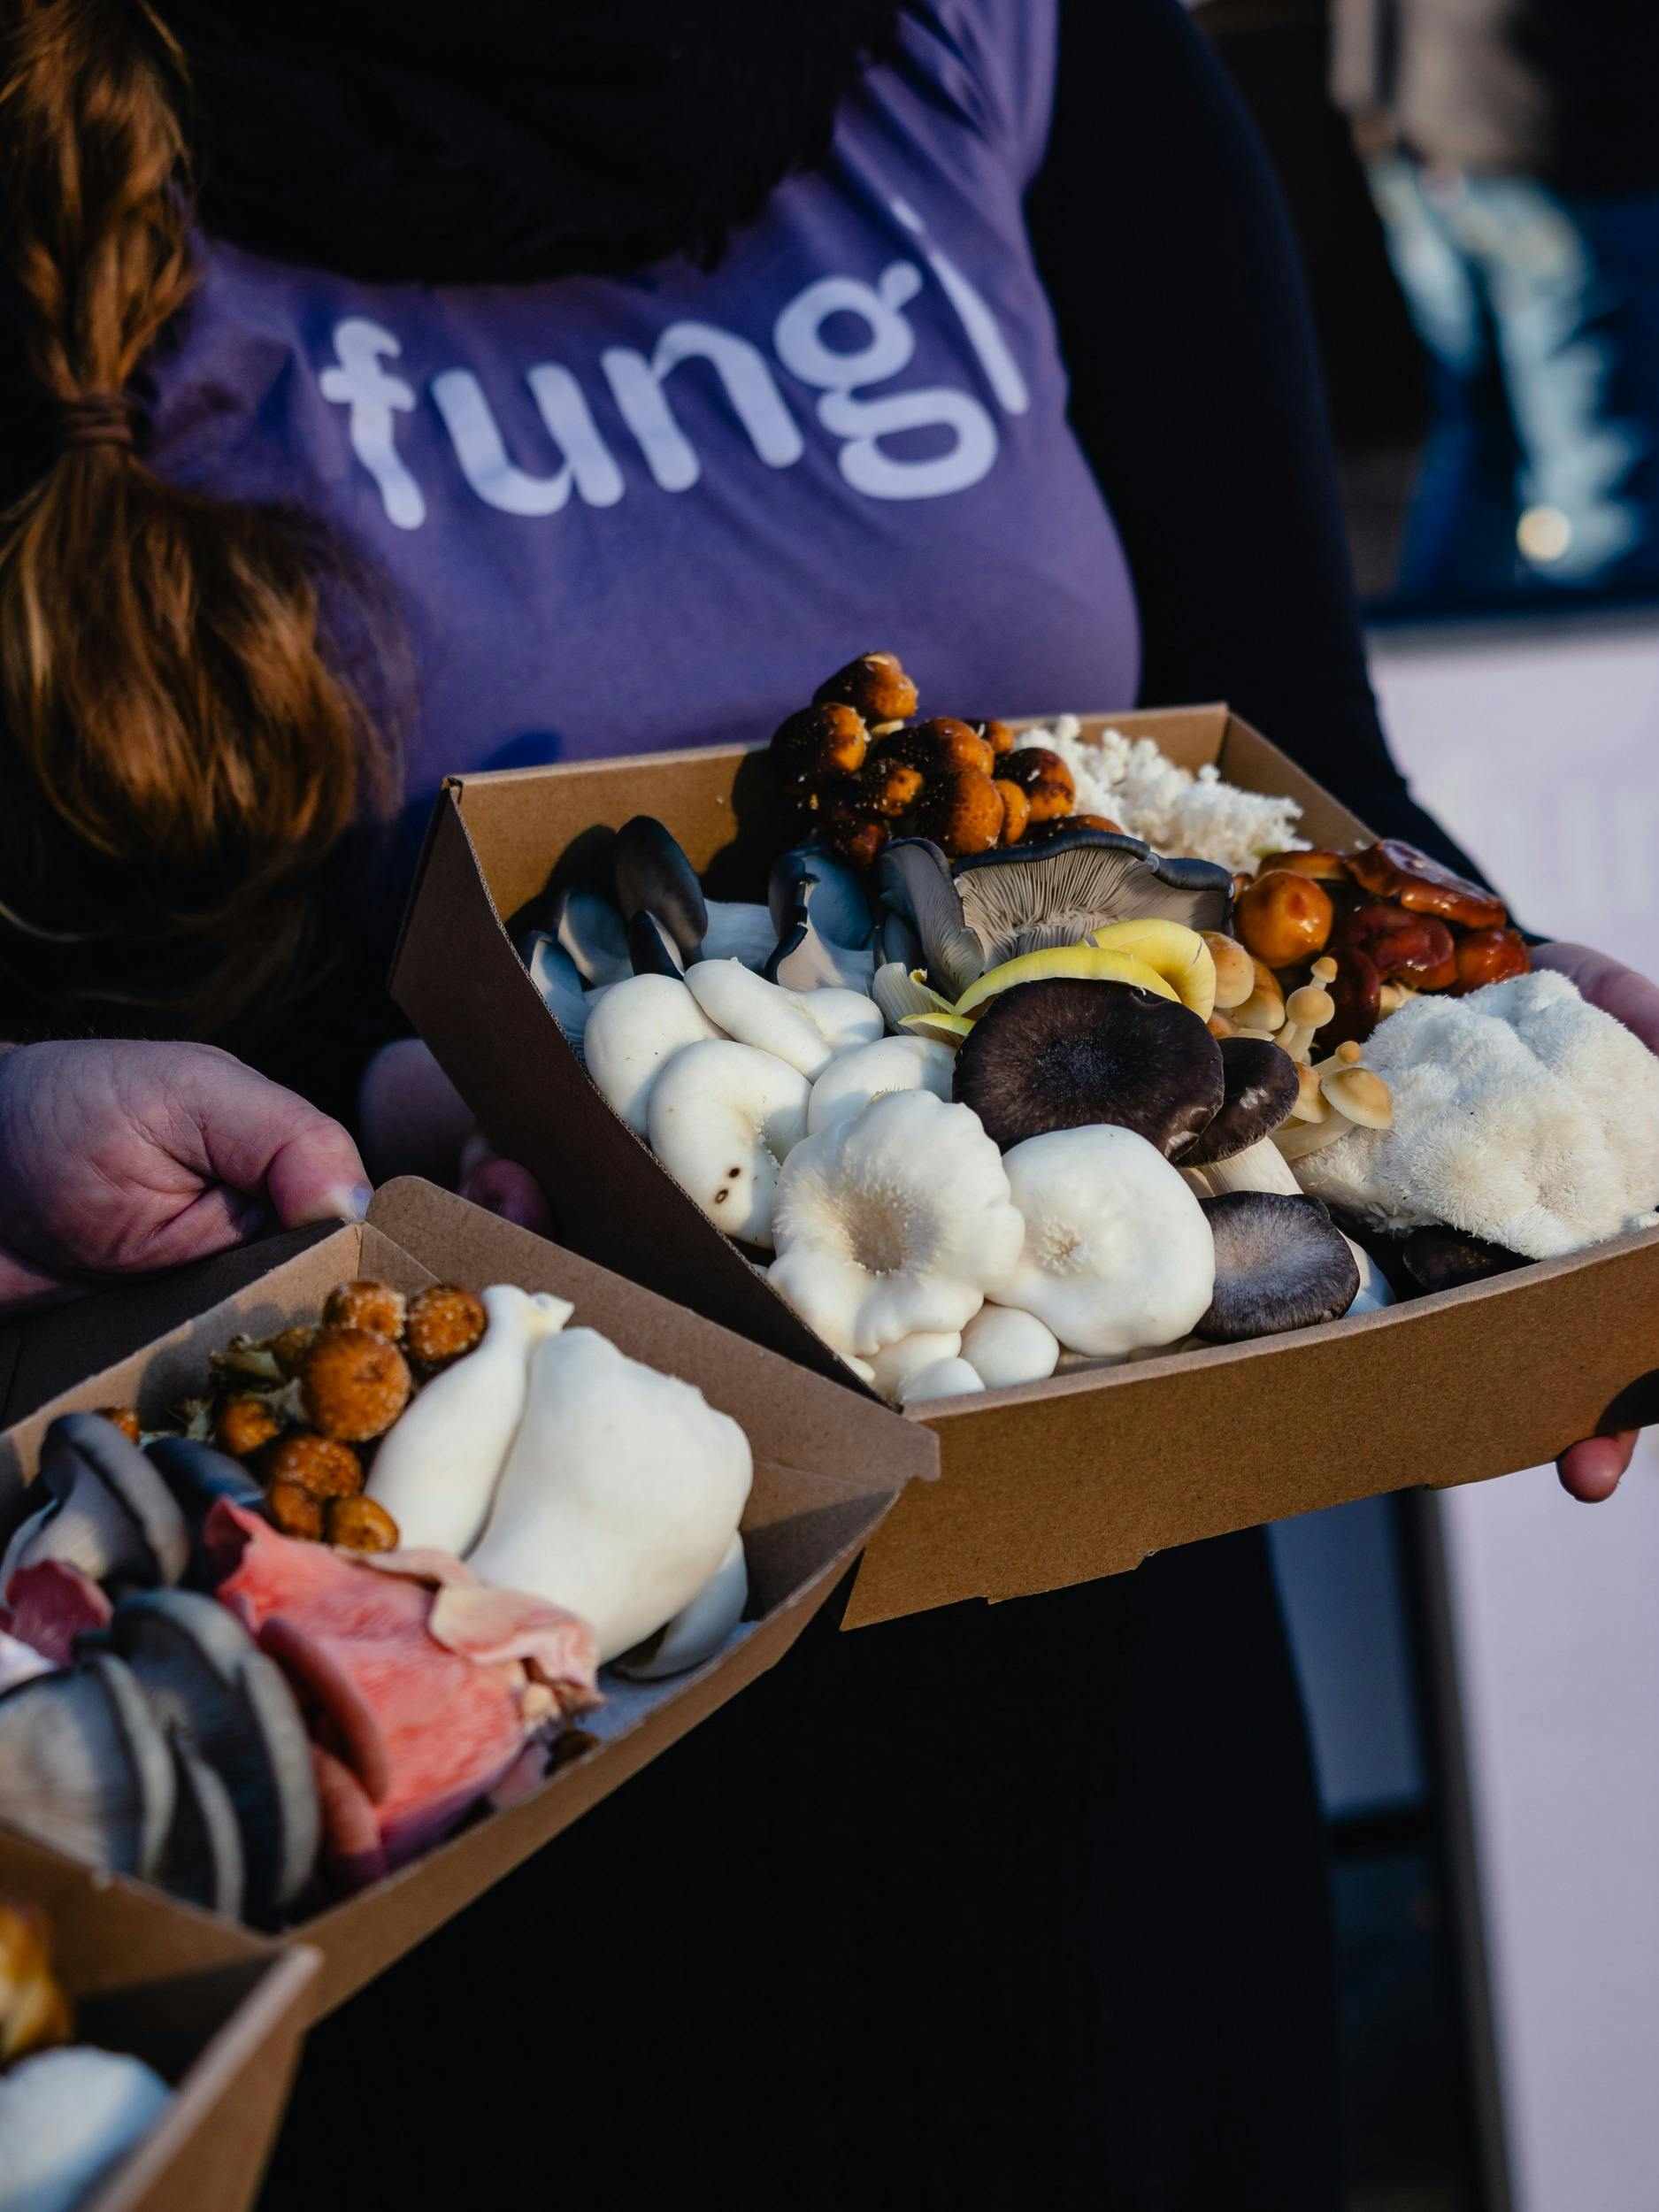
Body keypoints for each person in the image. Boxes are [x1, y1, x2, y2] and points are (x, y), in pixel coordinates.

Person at [0, 2, 1651, 2203]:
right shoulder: (54, 114)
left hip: (1070, 1659)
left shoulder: (1009, 45)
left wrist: (1500, 1048)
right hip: (387, 1708)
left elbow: (1299, 760)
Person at [1333, 0, 1659, 604]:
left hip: (1423, 99)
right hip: (1549, 112)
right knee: (1598, 474)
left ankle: (1447, 652)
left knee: (1482, 435)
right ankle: (1592, 675)